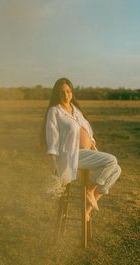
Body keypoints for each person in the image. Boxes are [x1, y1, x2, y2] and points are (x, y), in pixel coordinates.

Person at [43, 77, 121, 220]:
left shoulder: (75, 109)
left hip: (86, 152)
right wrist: (53, 163)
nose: (66, 95)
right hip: (71, 155)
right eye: (62, 92)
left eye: (68, 91)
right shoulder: (55, 111)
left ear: (72, 92)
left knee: (116, 169)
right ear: (56, 94)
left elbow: (86, 128)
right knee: (112, 160)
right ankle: (89, 190)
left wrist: (91, 141)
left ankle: (88, 209)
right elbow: (52, 139)